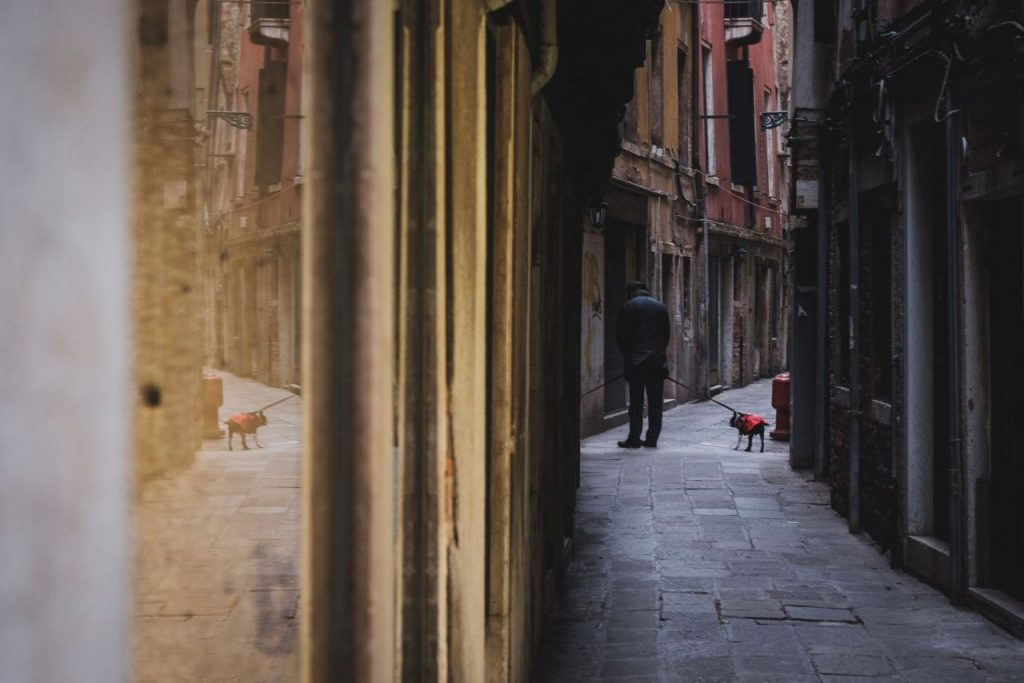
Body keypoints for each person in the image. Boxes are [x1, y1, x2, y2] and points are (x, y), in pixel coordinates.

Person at [615, 280, 670, 448]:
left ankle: (634, 438)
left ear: (631, 292)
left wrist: (629, 357)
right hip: (656, 363)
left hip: (636, 362)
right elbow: (666, 335)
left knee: (636, 402)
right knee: (656, 404)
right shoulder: (660, 307)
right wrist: (659, 354)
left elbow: (621, 336)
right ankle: (652, 438)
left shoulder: (627, 307)